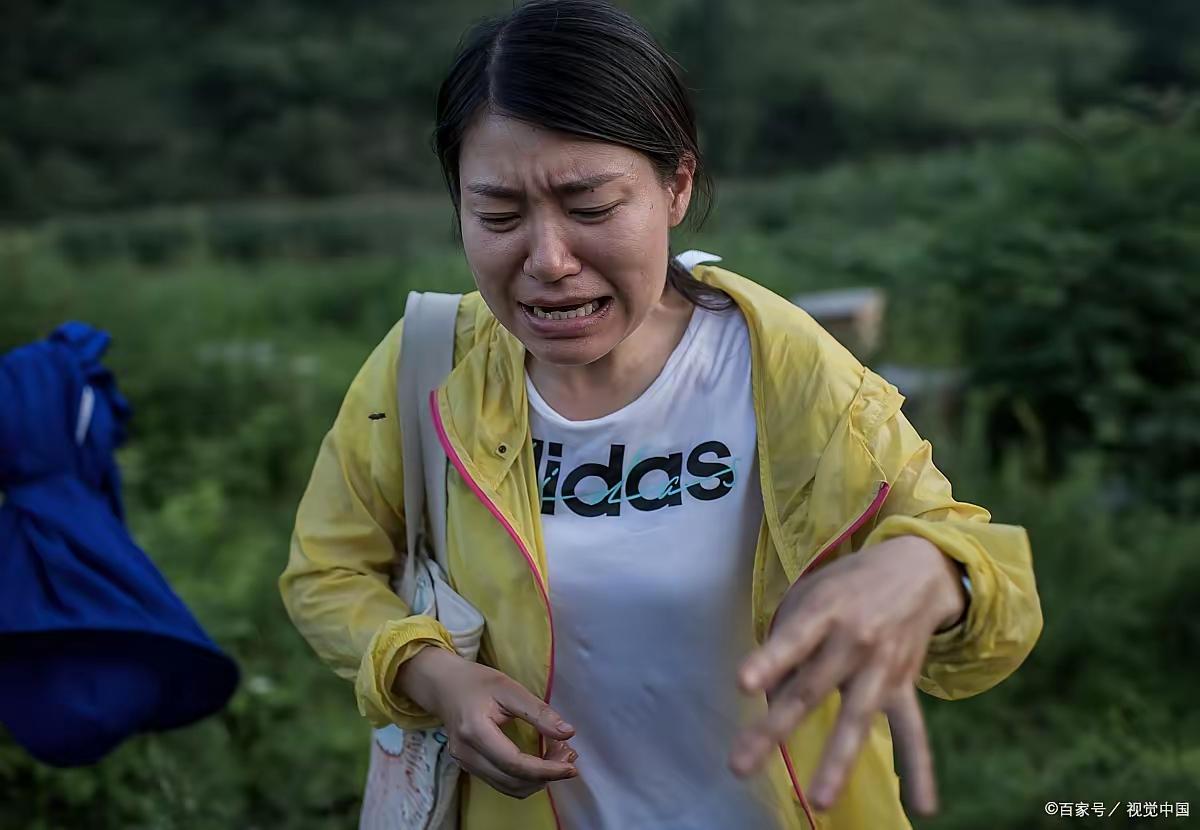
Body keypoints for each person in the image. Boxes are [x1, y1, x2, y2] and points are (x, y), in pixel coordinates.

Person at [279, 1, 1043, 828]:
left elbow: (994, 590)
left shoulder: (780, 371)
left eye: (592, 208)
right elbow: (328, 572)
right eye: (498, 216)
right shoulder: (430, 364)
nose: (549, 262)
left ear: (676, 186)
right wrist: (431, 675)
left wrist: (938, 571)